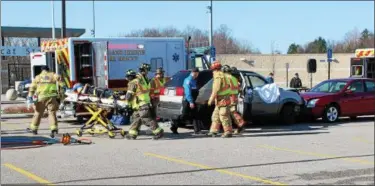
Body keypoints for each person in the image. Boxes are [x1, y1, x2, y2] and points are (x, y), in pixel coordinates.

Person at [124, 64, 164, 140]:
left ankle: (159, 132)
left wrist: (126, 102)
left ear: (129, 77)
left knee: (146, 119)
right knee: (136, 119)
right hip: (143, 103)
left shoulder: (133, 82)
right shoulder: (143, 79)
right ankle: (132, 134)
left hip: (141, 104)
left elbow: (129, 96)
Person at [27, 65, 64, 138]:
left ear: (42, 70)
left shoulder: (38, 77)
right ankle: (53, 129)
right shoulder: (53, 75)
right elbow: (59, 79)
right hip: (52, 97)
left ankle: (34, 129)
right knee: (52, 113)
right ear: (48, 69)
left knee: (38, 113)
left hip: (41, 98)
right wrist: (62, 88)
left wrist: (30, 96)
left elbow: (32, 87)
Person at [170, 67, 203, 135]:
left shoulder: (194, 80)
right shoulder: (188, 80)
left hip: (193, 99)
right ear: (192, 73)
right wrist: (191, 101)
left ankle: (197, 130)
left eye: (197, 74)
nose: (196, 75)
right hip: (187, 100)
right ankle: (174, 126)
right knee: (184, 115)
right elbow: (188, 92)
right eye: (195, 73)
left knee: (196, 115)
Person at [207, 61, 233, 138]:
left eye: (212, 70)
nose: (212, 72)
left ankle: (228, 132)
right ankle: (213, 131)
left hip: (223, 100)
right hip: (221, 100)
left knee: (224, 116)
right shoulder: (224, 75)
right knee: (215, 116)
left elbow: (216, 89)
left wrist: (210, 99)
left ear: (215, 69)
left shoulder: (218, 76)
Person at [222, 65, 245, 134]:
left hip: (231, 97)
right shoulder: (237, 77)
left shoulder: (230, 78)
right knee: (231, 112)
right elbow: (239, 87)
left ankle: (240, 125)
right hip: (235, 96)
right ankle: (235, 128)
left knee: (231, 112)